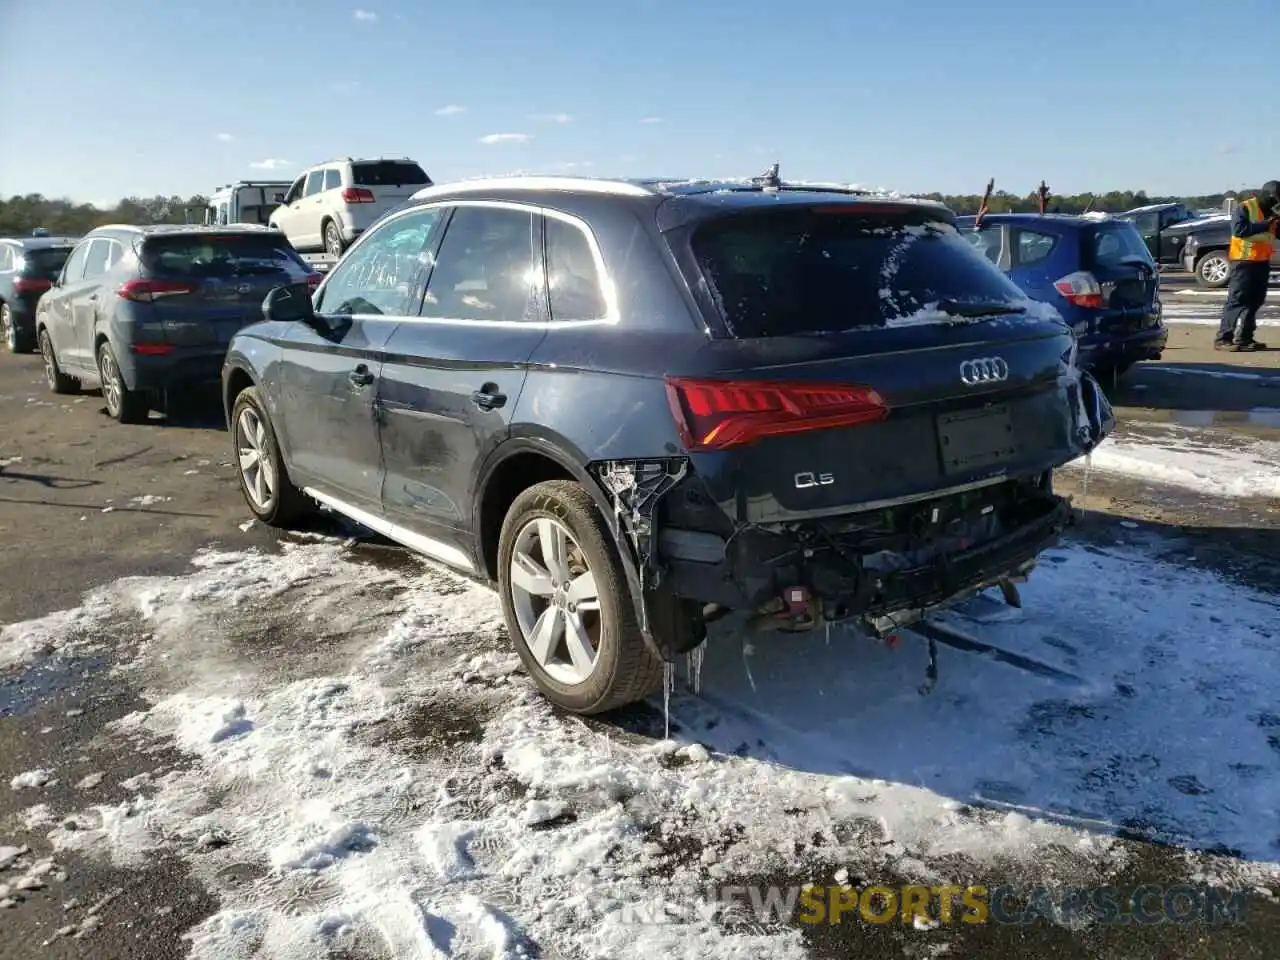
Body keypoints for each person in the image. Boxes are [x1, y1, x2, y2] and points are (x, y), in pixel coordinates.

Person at [1215, 182, 1278, 351]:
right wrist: (1267, 224)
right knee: (1237, 300)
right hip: (1243, 262)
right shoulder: (1245, 207)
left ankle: (1245, 337)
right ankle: (1223, 338)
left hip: (1261, 262)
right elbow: (1239, 230)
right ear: (1269, 196)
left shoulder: (1271, 212)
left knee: (1256, 300)